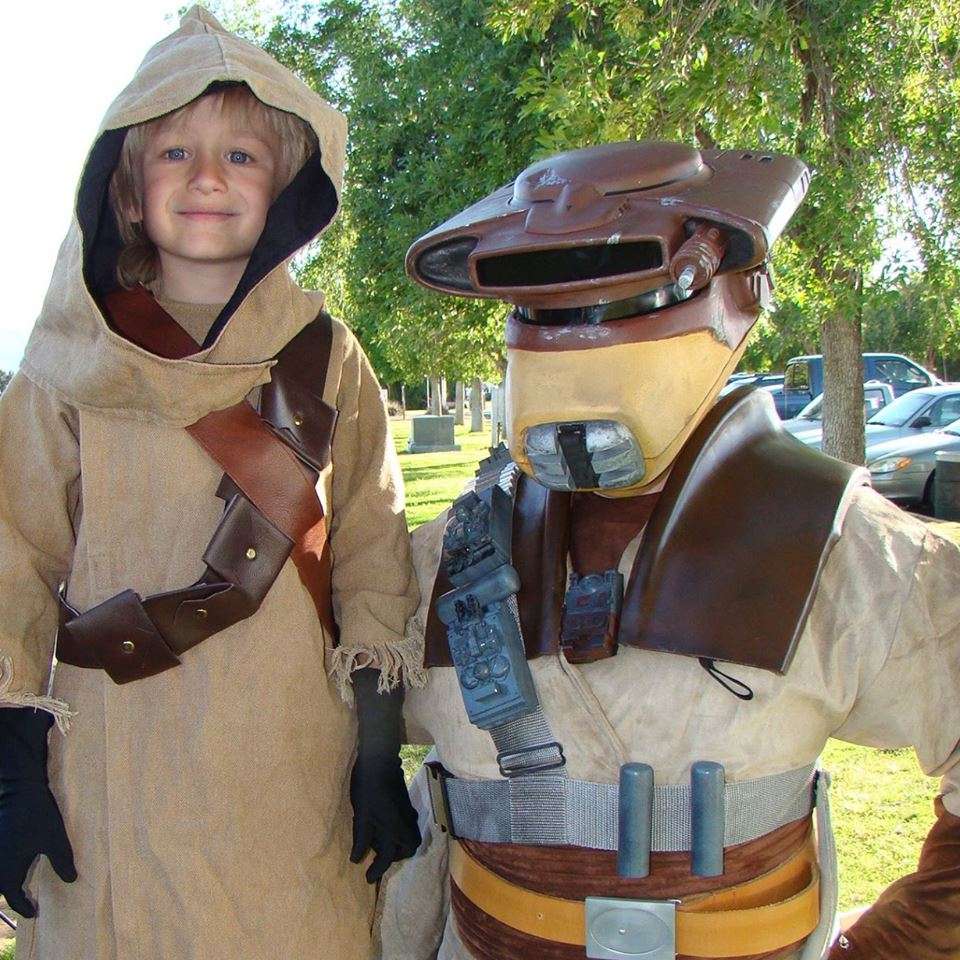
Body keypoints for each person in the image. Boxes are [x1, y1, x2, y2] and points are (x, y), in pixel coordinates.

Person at [378, 141, 960, 960]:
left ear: (722, 299)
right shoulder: (451, 554)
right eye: (544, 306)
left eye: (616, 299)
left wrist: (900, 943)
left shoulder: (845, 553)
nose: (577, 335)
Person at [0, 7, 422, 959]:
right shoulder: (66, 364)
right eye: (174, 153)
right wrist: (12, 763)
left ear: (287, 185)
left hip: (288, 758)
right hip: (116, 760)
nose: (206, 176)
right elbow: (11, 553)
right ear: (126, 189)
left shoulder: (329, 357)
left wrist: (376, 746)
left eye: (241, 155)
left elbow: (372, 547)